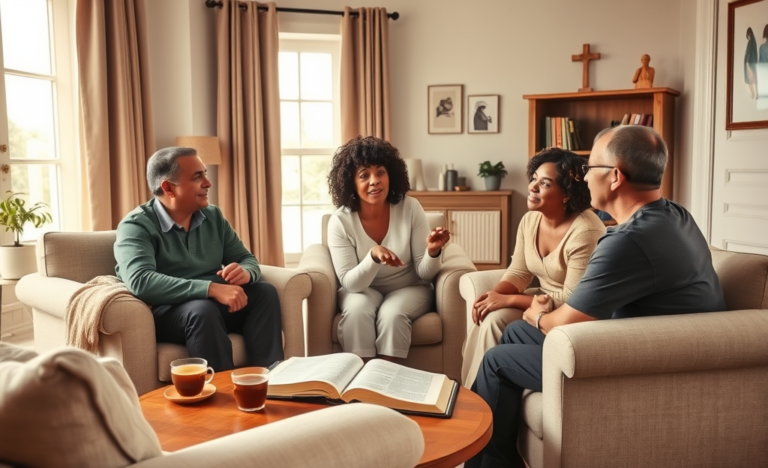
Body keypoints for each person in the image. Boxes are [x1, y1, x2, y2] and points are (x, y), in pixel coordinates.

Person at [467, 125, 726, 468]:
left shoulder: (625, 241)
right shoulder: (675, 214)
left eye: (591, 168)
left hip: (632, 359)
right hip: (643, 339)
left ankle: (482, 461)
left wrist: (536, 313)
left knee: (496, 362)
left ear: (615, 177)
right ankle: (500, 455)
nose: (585, 177)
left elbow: (561, 319)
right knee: (513, 333)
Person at [114, 146, 283, 372]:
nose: (208, 182)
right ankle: (223, 398)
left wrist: (245, 271)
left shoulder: (213, 216)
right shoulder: (136, 225)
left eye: (205, 173)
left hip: (211, 305)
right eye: (197, 177)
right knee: (202, 310)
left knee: (264, 293)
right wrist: (211, 289)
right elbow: (140, 281)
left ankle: (272, 380)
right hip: (169, 311)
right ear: (168, 188)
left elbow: (246, 258)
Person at [461, 148, 604, 388]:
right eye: (534, 179)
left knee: (499, 316)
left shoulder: (586, 231)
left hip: (567, 314)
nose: (532, 187)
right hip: (541, 304)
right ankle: (469, 392)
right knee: (491, 317)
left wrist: (509, 301)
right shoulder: (530, 220)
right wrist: (494, 296)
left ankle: (473, 398)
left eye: (545, 183)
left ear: (566, 194)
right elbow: (519, 272)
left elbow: (573, 299)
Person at [326, 136, 450, 360]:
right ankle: (358, 386)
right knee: (355, 311)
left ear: (390, 175)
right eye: (364, 175)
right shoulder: (340, 222)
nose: (375, 181)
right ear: (350, 182)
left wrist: (433, 251)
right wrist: (373, 256)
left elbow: (425, 273)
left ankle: (387, 384)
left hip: (409, 288)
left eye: (380, 172)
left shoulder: (410, 207)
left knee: (392, 314)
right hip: (361, 290)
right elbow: (350, 283)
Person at [745, 27, 758, 99]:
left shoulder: (751, 42)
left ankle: (753, 94)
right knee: (753, 80)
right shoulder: (754, 41)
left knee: (750, 80)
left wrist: (747, 63)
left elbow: (749, 53)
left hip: (750, 63)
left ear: (748, 34)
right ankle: (755, 94)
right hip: (753, 64)